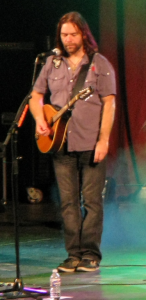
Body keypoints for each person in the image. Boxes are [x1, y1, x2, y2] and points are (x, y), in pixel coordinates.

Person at [29, 11, 116, 272]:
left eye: (73, 34)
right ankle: (73, 254)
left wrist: (104, 140)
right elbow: (36, 95)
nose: (68, 39)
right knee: (67, 202)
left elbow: (109, 103)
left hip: (90, 143)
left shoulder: (99, 64)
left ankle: (91, 254)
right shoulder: (52, 64)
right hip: (60, 143)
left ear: (83, 35)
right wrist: (38, 119)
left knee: (91, 201)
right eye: (64, 35)